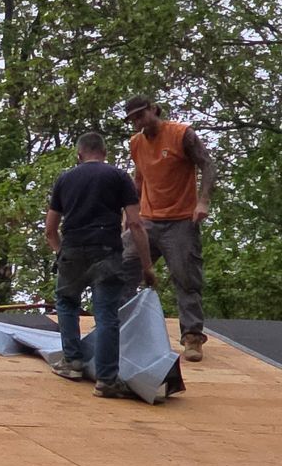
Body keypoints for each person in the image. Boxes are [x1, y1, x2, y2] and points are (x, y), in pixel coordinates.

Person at [45, 130, 156, 399]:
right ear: (104, 153)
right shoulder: (118, 177)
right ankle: (106, 379)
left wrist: (62, 253)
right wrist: (147, 266)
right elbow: (135, 223)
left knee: (67, 302)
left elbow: (50, 230)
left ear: (79, 154)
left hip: (72, 248)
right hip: (107, 251)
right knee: (106, 314)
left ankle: (72, 363)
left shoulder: (65, 179)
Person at [121, 94, 216, 361]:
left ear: (153, 110)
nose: (138, 121)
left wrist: (203, 201)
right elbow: (138, 180)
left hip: (180, 220)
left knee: (186, 277)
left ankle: (192, 337)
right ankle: (116, 326)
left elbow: (207, 164)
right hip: (148, 220)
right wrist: (128, 215)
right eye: (133, 119)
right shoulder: (136, 143)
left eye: (141, 115)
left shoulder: (181, 134)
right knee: (121, 266)